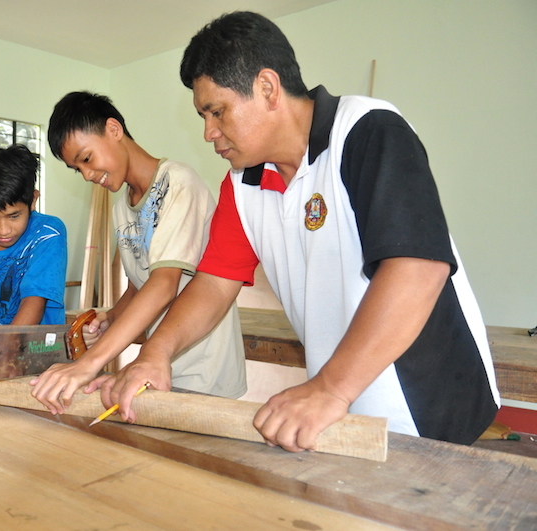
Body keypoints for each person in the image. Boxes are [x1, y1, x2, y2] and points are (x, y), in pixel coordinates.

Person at [101, 11, 499, 450]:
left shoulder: (367, 130)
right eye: (203, 116)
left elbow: (418, 269)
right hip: (342, 400)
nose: (209, 132)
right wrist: (155, 354)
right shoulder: (243, 183)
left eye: (217, 112)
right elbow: (213, 284)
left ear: (267, 88)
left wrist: (329, 388)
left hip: (430, 401)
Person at [30, 91, 246, 414]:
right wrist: (111, 318)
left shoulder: (178, 184)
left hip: (203, 370)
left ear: (114, 130)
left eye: (86, 159)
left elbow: (163, 284)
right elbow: (139, 286)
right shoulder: (122, 208)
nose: (87, 175)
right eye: (78, 169)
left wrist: (90, 363)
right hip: (155, 365)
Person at [0, 145, 67, 369]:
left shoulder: (47, 234)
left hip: (42, 352)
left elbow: (34, 302)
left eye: (14, 216)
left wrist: (1, 353)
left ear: (33, 200)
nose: (3, 229)